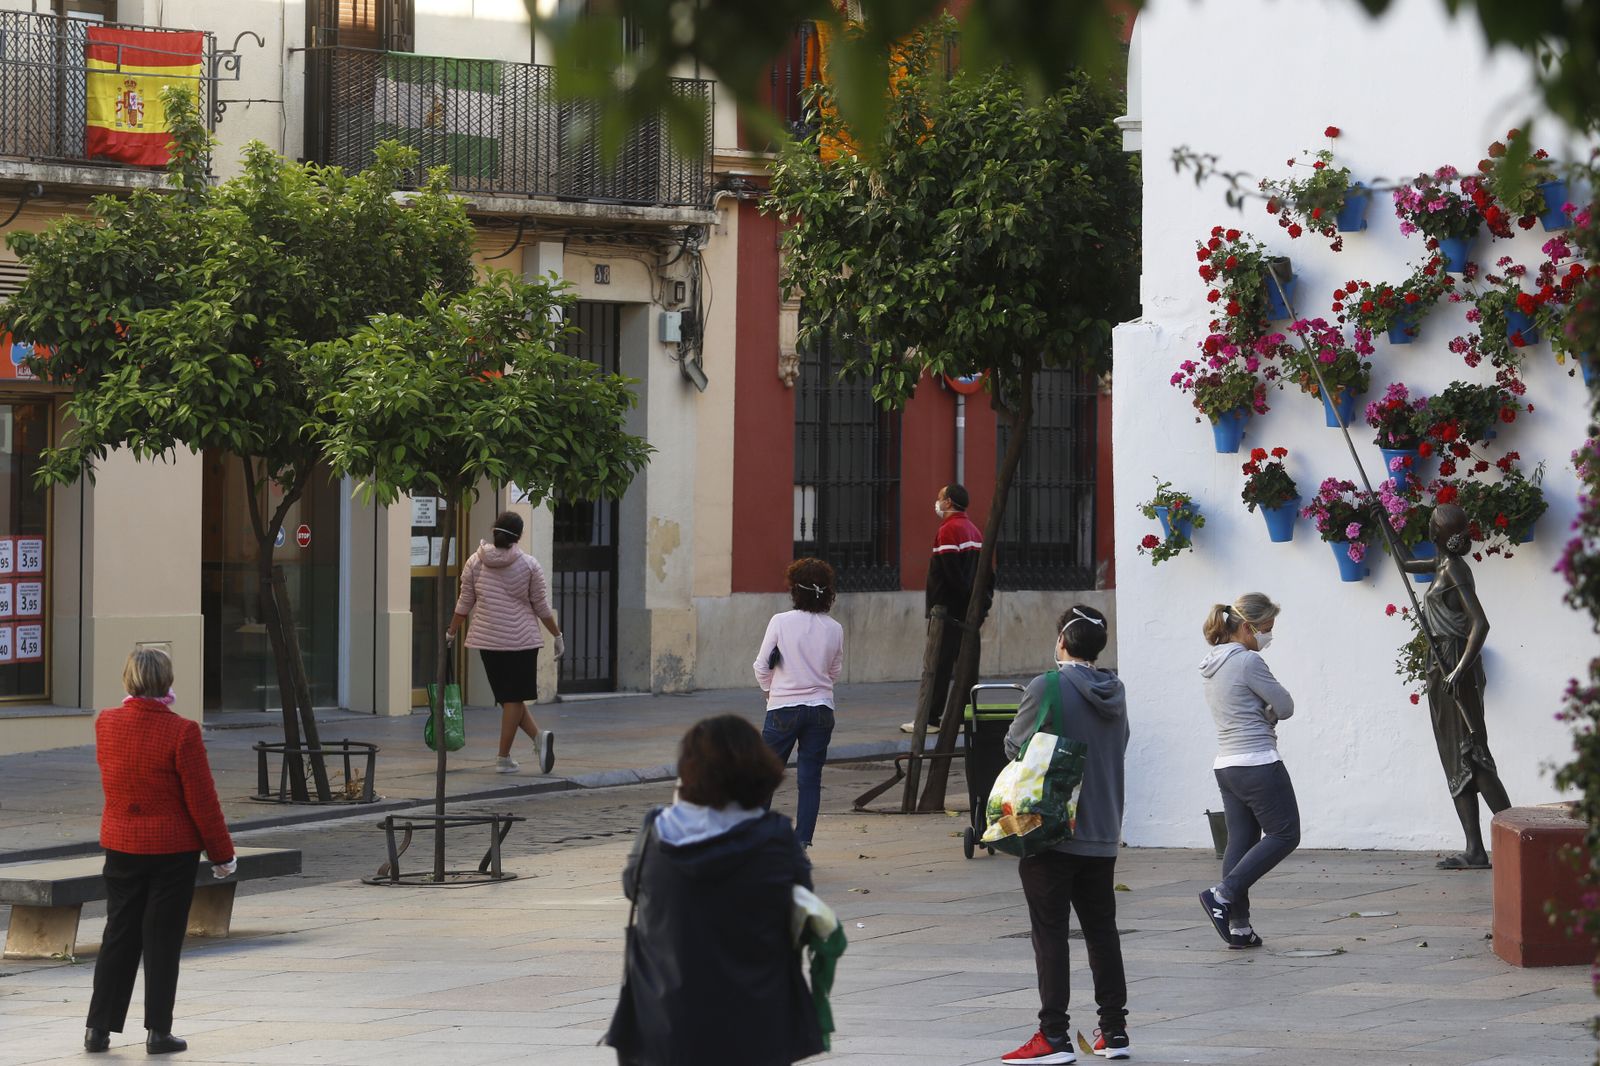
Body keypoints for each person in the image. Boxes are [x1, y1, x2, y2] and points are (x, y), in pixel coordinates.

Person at [603, 715, 824, 1066]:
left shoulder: (656, 831)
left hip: (667, 1020)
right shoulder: (777, 838)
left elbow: (633, 885)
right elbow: (802, 902)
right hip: (756, 1021)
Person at [85, 647, 235, 1056]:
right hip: (172, 850)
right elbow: (202, 799)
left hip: (121, 843)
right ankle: (158, 1032)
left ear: (127, 678)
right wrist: (221, 854)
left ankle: (98, 1029)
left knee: (118, 933)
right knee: (162, 939)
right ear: (167, 681)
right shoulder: (181, 731)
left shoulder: (107, 724)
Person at [999, 605, 1131, 1064]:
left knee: (1050, 932)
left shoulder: (1047, 686)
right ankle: (1113, 1032)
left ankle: (1053, 1036)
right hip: (1103, 827)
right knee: (1101, 930)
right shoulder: (1116, 689)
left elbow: (1016, 745)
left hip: (1053, 830)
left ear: (1061, 641)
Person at [1401, 503, 1511, 869]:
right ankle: (1475, 850)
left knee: (1474, 756)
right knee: (1455, 758)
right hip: (1441, 667)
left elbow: (1480, 624)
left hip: (1454, 664)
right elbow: (1405, 565)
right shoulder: (1442, 565)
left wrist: (1460, 669)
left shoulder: (1456, 570)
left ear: (1437, 533)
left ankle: (1518, 840)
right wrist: (1382, 520)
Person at [1197, 593, 1300, 951]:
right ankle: (1222, 894)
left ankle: (1240, 927)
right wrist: (1268, 713)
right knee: (1285, 834)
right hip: (1257, 761)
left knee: (1239, 844)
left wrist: (1263, 711)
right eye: (1266, 629)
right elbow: (1285, 706)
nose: (1268, 637)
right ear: (1246, 627)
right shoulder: (1247, 662)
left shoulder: (1212, 663)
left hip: (1227, 766)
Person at [446, 510, 563, 775]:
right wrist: (557, 634)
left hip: (488, 642)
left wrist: (451, 631)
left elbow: (465, 602)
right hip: (521, 642)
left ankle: (538, 738)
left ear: (494, 530)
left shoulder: (475, 562)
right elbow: (541, 607)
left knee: (509, 699)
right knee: (513, 699)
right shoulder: (530, 565)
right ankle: (503, 757)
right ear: (518, 536)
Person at [753, 557, 844, 848]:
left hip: (783, 709)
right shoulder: (834, 628)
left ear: (795, 590)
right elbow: (835, 671)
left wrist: (771, 692)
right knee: (810, 779)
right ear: (827, 592)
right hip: (821, 709)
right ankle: (802, 842)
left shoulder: (780, 622)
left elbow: (761, 666)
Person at [902, 483, 992, 734]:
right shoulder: (974, 531)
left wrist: (948, 607)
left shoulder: (948, 531)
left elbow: (951, 574)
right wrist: (981, 605)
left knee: (937, 666)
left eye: (940, 497)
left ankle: (930, 719)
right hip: (970, 613)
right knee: (966, 666)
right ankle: (964, 718)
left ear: (949, 502)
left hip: (947, 613)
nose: (937, 501)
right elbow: (987, 575)